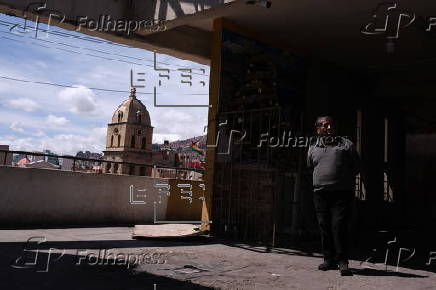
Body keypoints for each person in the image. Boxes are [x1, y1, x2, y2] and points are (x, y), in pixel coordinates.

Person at [307, 116, 360, 276]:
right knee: (324, 226)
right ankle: (328, 260)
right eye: (325, 125)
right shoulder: (312, 148)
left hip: (341, 193)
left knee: (339, 226)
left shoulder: (346, 145)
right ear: (318, 130)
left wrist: (342, 180)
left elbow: (356, 166)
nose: (329, 127)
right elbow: (311, 167)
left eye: (331, 124)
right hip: (321, 193)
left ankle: (342, 261)